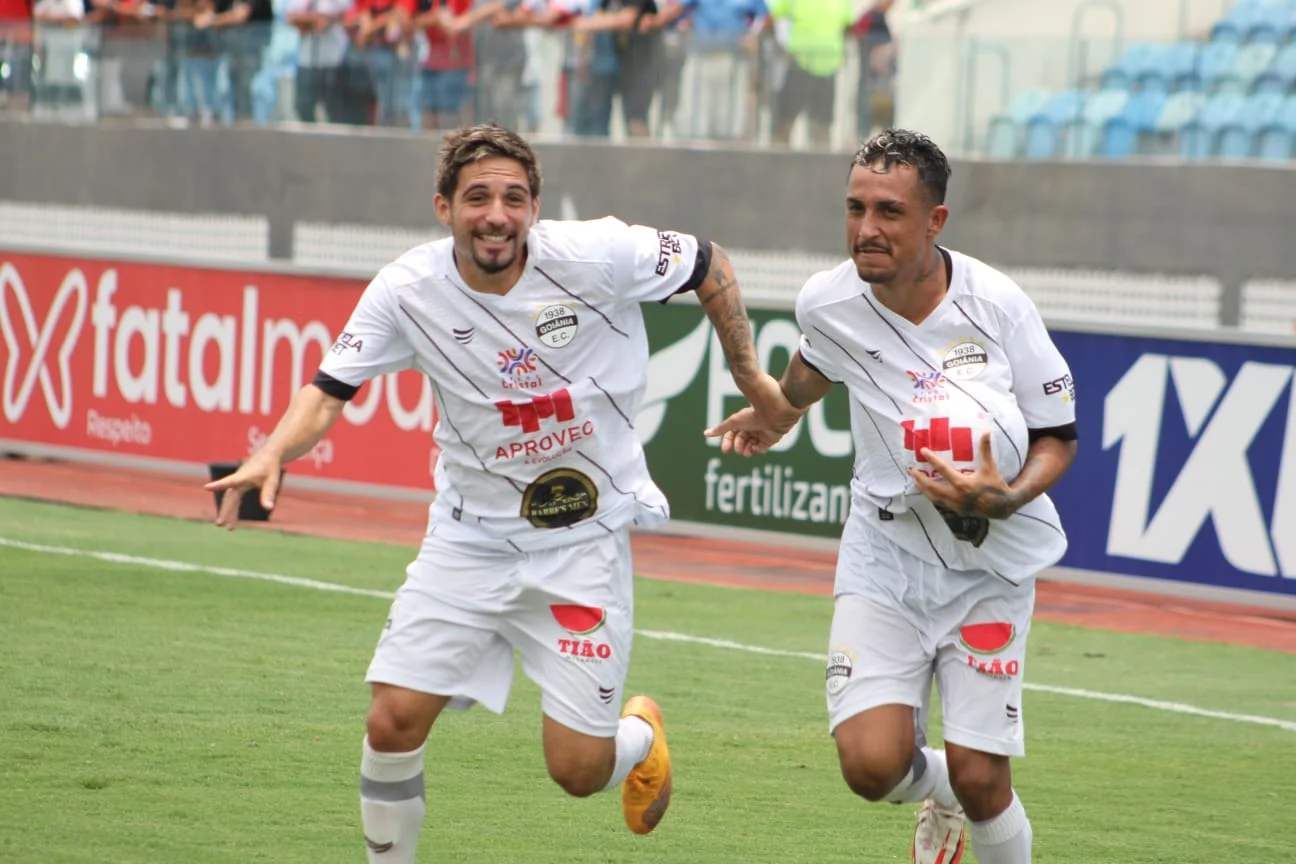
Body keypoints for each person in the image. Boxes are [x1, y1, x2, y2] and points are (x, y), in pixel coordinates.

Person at [205, 121, 801, 864]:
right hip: (469, 538)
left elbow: (709, 264)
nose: (496, 214)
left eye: (514, 198)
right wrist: (271, 453)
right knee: (391, 720)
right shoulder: (407, 288)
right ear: (443, 207)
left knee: (577, 772)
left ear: (535, 207)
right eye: (478, 197)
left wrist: (750, 376)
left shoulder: (596, 254)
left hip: (582, 543)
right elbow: (329, 390)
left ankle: (640, 735)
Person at [704, 128, 1078, 864]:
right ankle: (935, 786)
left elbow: (1057, 436)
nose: (866, 229)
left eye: (888, 212)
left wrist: (1005, 497)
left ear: (935, 221)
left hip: (988, 564)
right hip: (885, 554)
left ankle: (965, 793)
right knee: (871, 767)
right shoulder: (828, 300)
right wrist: (776, 413)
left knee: (984, 777)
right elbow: (813, 369)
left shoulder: (998, 306)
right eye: (855, 208)